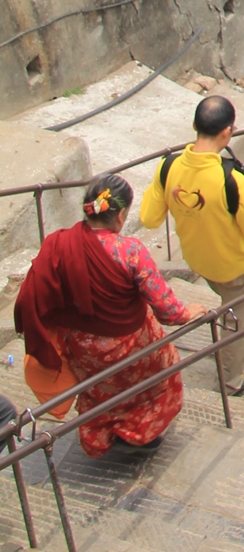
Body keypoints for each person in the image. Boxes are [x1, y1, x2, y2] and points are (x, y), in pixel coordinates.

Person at [16, 175, 203, 457]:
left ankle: (104, 433)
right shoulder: (131, 252)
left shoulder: (58, 244)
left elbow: (34, 294)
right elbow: (167, 311)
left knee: (99, 388)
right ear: (121, 214)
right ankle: (139, 434)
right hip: (131, 345)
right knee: (157, 376)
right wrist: (189, 312)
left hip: (84, 348)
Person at [140, 97, 244, 395]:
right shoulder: (231, 179)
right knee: (233, 317)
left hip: (197, 258)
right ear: (227, 132)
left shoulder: (168, 167)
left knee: (237, 300)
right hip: (231, 266)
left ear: (195, 125)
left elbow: (149, 218)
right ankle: (233, 378)